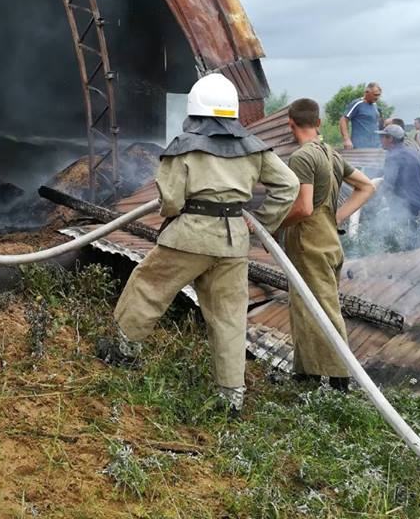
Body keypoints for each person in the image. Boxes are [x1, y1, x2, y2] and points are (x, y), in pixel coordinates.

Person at [97, 74, 299, 413]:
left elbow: (171, 201)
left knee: (147, 286)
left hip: (190, 236)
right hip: (233, 242)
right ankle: (231, 396)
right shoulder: (255, 148)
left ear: (196, 112)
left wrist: (176, 210)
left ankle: (123, 351)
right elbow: (289, 185)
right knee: (230, 317)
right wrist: (261, 223)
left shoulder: (184, 146)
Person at [280, 99, 375, 391]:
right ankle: (305, 372)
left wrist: (273, 223)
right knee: (305, 305)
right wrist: (335, 219)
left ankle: (340, 378)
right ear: (319, 123)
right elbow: (367, 186)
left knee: (323, 307)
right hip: (329, 240)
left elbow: (305, 207)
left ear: (290, 124)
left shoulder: (302, 158)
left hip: (310, 242)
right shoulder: (331, 154)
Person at [375, 124, 420, 249]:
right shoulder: (411, 151)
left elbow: (388, 184)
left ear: (390, 139)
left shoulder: (393, 156)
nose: (380, 140)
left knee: (411, 247)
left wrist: (375, 202)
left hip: (411, 207)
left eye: (382, 137)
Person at [339, 83, 383, 149]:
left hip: (376, 146)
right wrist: (346, 139)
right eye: (375, 95)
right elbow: (343, 120)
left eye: (379, 95)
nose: (377, 97)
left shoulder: (375, 106)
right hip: (360, 146)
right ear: (367, 92)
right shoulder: (358, 103)